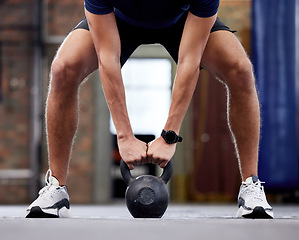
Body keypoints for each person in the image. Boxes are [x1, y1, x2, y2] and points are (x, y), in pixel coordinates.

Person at [26, 0, 273, 219]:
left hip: (182, 21)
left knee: (241, 71)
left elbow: (189, 60)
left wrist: (169, 136)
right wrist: (124, 137)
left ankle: (250, 184)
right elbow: (108, 59)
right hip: (118, 20)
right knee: (63, 69)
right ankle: (56, 186)